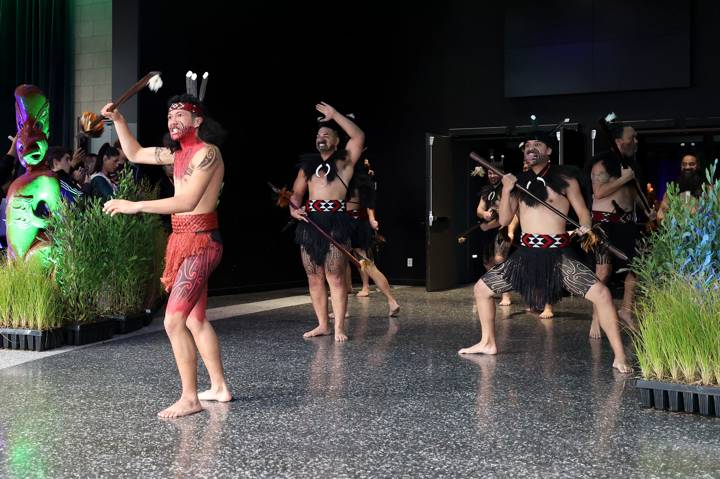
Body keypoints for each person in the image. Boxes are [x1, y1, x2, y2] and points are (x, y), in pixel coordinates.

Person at [100, 78, 231, 418]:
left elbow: (187, 201)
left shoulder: (208, 153)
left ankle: (190, 398)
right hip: (184, 242)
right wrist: (117, 120)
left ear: (197, 120)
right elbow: (134, 153)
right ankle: (218, 387)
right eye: (169, 116)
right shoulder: (175, 155)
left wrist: (136, 205)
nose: (173, 120)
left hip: (202, 242)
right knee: (196, 319)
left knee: (174, 320)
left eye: (181, 115)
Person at [459, 127, 632, 373]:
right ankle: (488, 342)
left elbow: (583, 212)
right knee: (481, 289)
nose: (531, 147)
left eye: (538, 144)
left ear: (549, 150)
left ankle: (619, 355)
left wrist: (584, 226)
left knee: (602, 295)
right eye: (528, 144)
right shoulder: (517, 182)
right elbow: (506, 220)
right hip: (526, 255)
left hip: (558, 255)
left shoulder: (566, 179)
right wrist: (507, 190)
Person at [289, 102, 364, 342]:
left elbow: (358, 135)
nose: (321, 137)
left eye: (326, 134)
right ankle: (322, 325)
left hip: (335, 221)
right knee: (314, 276)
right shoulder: (307, 166)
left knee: (336, 275)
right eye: (318, 134)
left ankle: (339, 326)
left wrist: (334, 116)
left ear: (336, 141)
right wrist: (293, 209)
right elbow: (296, 194)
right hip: (310, 223)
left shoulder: (345, 162)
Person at [588, 121, 642, 338]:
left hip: (628, 223)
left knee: (636, 269)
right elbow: (599, 193)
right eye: (633, 137)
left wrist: (646, 209)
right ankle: (595, 317)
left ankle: (626, 311)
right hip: (604, 223)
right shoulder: (601, 164)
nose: (636, 141)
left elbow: (633, 193)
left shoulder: (631, 164)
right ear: (620, 141)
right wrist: (623, 178)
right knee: (603, 271)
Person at [345, 160, 400, 316]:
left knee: (340, 268)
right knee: (370, 266)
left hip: (346, 223)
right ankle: (392, 301)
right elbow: (369, 205)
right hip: (360, 224)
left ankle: (342, 310)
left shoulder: (345, 179)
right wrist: (371, 219)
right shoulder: (365, 183)